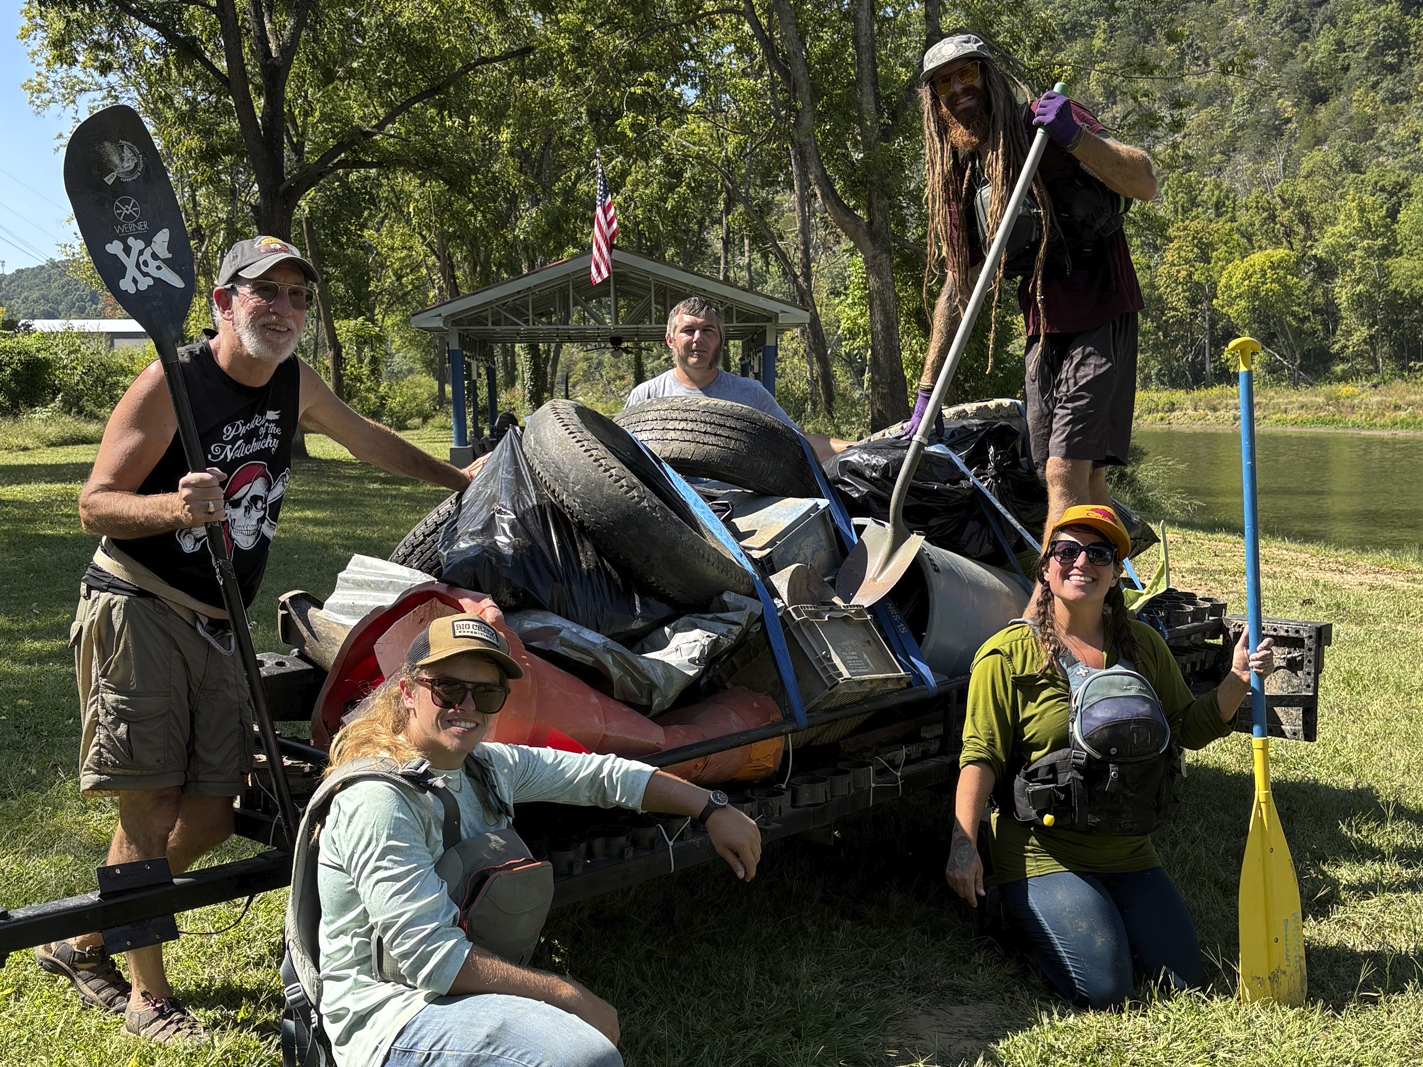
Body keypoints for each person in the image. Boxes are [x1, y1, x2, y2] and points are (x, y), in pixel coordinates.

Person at [40, 236, 483, 1043]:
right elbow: (95, 503)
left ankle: (87, 940)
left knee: (212, 812)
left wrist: (461, 477)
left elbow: (367, 438)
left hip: (218, 623)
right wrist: (177, 508)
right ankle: (146, 994)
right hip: (138, 605)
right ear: (222, 301)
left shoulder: (293, 381)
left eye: (297, 296)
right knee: (147, 807)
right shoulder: (172, 383)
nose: (282, 310)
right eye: (264, 293)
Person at [314, 613, 762, 1067]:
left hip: (450, 988)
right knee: (584, 1058)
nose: (467, 705)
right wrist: (565, 993)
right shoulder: (380, 800)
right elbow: (433, 960)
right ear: (409, 693)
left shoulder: (487, 767)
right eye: (448, 688)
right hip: (388, 1013)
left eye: (486, 693)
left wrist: (711, 806)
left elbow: (602, 776)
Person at [945, 505, 1274, 1009]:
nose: (1082, 562)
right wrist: (964, 845)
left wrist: (1237, 680)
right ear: (1046, 566)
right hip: (1043, 852)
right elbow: (980, 757)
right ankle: (1025, 924)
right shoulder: (1007, 654)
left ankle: (1102, 912)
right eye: (1067, 550)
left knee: (1186, 981)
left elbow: (1188, 727)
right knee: (1106, 989)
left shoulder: (1141, 645)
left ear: (1117, 573)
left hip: (1128, 849)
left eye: (1100, 553)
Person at [911, 33, 1158, 541]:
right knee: (1082, 475)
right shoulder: (962, 177)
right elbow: (960, 284)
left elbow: (1144, 181)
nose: (958, 88)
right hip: (1043, 325)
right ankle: (1107, 597)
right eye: (943, 82)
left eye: (967, 73)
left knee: (1064, 470)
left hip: (1101, 306)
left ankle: (1051, 606)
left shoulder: (1043, 124)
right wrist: (928, 390)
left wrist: (1074, 135)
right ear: (935, 100)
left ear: (989, 74)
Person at [623, 296, 848, 462]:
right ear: (670, 340)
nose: (698, 339)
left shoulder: (750, 393)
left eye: (708, 330)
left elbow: (800, 444)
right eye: (688, 330)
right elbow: (616, 456)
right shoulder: (646, 396)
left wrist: (861, 446)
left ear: (721, 339)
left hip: (741, 513)